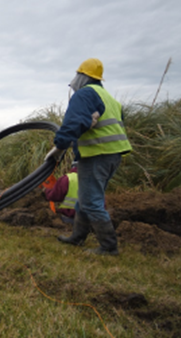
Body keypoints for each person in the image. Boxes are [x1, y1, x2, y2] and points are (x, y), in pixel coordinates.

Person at [47, 58, 132, 255]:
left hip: (97, 154)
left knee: (92, 201)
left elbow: (73, 122)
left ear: (83, 77)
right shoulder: (109, 98)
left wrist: (59, 147)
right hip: (113, 155)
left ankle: (109, 247)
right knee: (85, 198)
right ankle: (77, 237)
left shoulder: (85, 94)